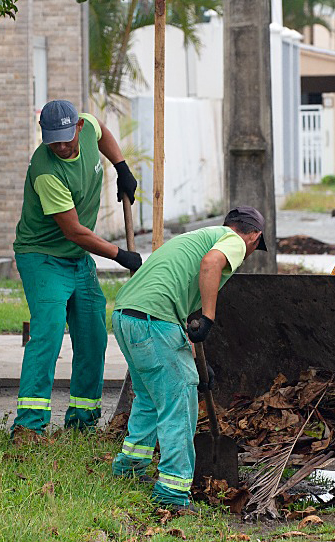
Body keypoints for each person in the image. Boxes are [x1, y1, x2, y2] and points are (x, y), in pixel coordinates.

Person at [108, 206, 268, 514]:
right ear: (253, 236)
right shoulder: (232, 241)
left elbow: (177, 308)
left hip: (127, 315)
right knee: (179, 399)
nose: (249, 254)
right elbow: (211, 265)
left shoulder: (197, 237)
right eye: (254, 248)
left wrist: (197, 362)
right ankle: (172, 490)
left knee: (149, 398)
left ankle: (130, 467)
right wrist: (208, 317)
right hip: (155, 321)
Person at [12, 99, 141, 442]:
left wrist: (121, 167)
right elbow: (74, 231)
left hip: (76, 258)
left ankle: (83, 421)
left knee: (93, 333)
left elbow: (103, 132)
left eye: (67, 138)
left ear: (78, 128)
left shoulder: (86, 128)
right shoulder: (45, 170)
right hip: (43, 256)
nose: (61, 146)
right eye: (53, 140)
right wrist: (120, 255)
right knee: (49, 333)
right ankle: (29, 425)